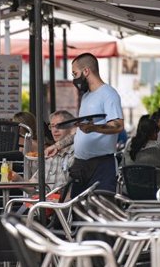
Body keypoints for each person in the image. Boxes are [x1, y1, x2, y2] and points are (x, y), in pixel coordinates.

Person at [46, 53, 124, 194]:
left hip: (101, 165)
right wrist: (58, 146)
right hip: (81, 164)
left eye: (75, 74)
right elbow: (81, 132)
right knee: (76, 211)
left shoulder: (108, 94)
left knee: (99, 210)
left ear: (86, 71)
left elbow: (118, 125)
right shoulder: (87, 97)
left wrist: (94, 128)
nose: (74, 79)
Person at [122, 117, 160, 184]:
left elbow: (123, 167)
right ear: (154, 133)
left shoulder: (130, 145)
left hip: (131, 190)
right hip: (159, 191)